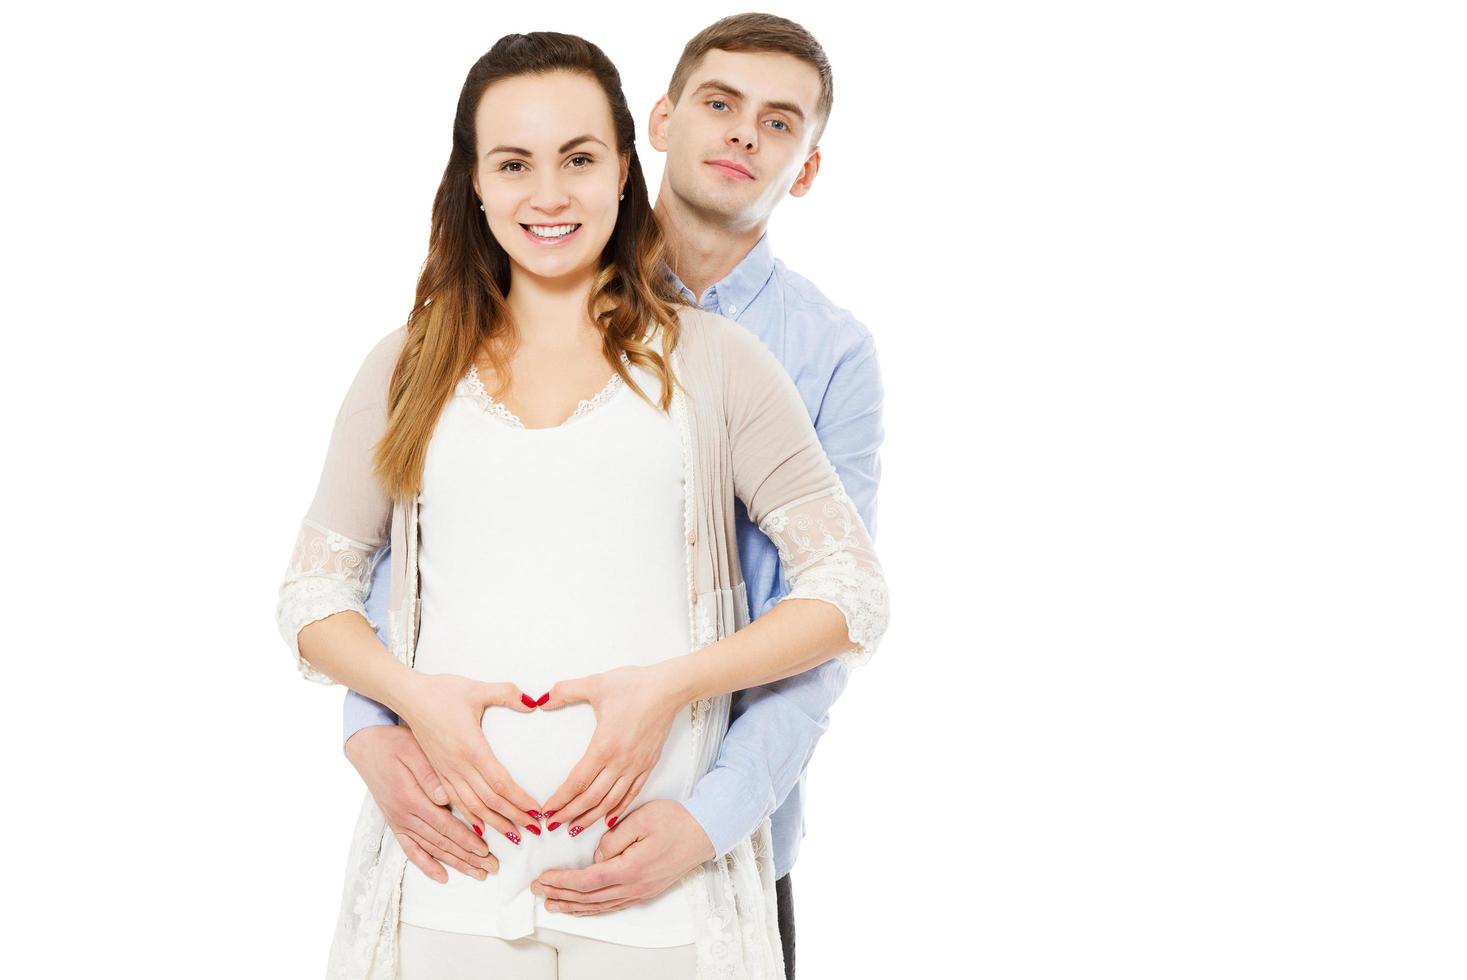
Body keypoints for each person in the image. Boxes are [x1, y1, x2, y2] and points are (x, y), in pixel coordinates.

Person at [275, 28, 888, 980]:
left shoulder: (739, 359)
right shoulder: (410, 363)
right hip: (454, 871)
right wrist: (398, 712)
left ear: (620, 171)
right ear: (473, 180)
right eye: (514, 163)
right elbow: (343, 587)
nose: (549, 194)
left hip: (664, 870)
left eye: (578, 159)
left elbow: (845, 592)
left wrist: (672, 702)